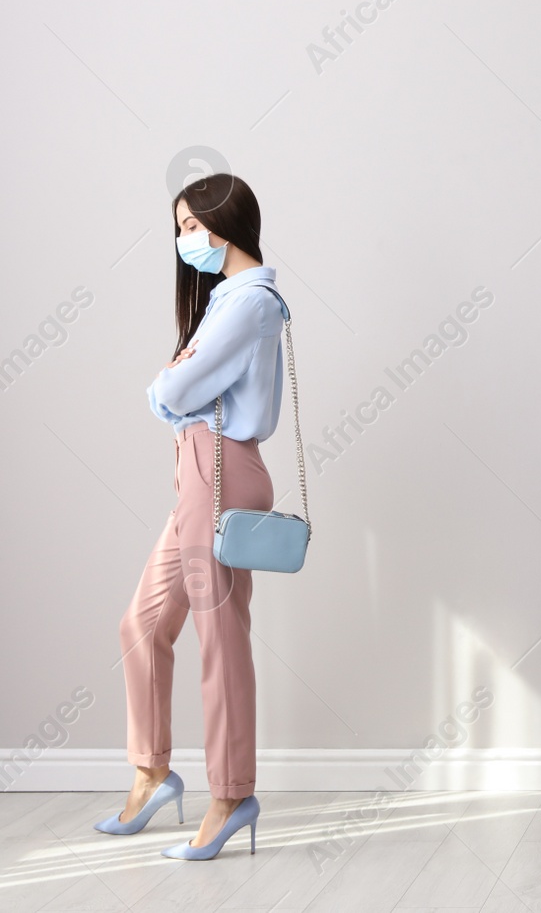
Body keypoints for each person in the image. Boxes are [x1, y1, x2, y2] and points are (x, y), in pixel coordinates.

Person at [96, 173, 284, 860]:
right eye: (178, 228)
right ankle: (152, 769)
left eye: (191, 226)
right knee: (141, 623)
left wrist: (169, 379)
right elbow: (182, 388)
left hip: (224, 472)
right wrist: (177, 382)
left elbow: (174, 388)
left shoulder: (252, 301)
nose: (184, 240)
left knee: (219, 638)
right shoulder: (225, 301)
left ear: (225, 224)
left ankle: (232, 793)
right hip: (199, 474)